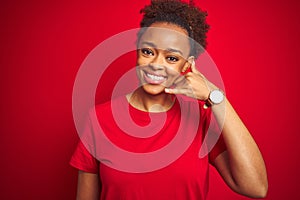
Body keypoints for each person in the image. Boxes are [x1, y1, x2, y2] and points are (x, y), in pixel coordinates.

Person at [70, 0, 268, 199]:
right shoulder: (100, 118)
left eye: (171, 58)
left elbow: (255, 188)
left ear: (186, 65)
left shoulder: (200, 115)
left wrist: (216, 96)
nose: (156, 65)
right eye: (148, 52)